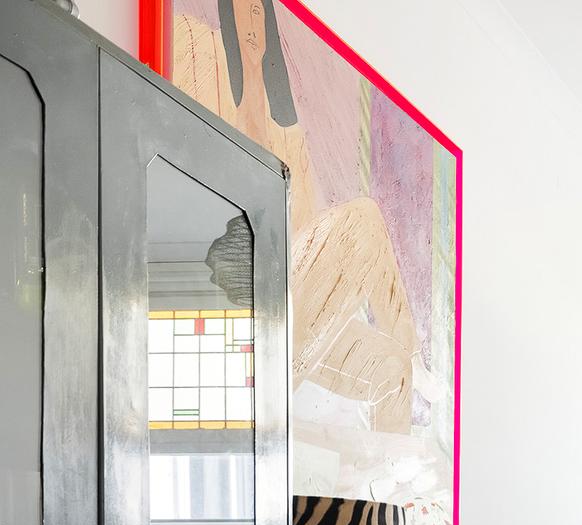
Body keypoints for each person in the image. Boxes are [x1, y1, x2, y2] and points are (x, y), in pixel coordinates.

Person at [173, 0, 422, 436]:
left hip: (286, 309)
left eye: (259, 13)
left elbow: (309, 241)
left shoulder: (288, 138)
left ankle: (387, 458)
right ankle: (415, 351)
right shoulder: (202, 58)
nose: (253, 22)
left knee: (393, 370)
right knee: (364, 216)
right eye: (244, 10)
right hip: (234, 304)